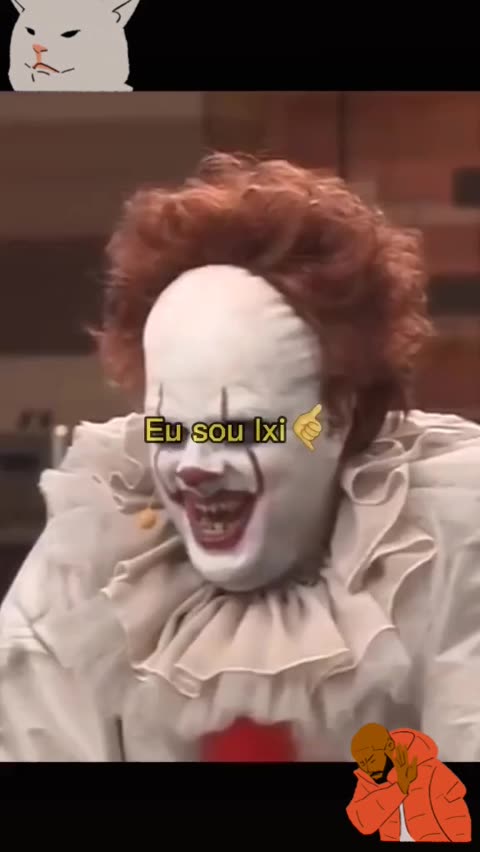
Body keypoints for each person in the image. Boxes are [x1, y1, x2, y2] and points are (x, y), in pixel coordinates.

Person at [1, 153, 480, 761]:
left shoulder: (448, 541)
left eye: (242, 428)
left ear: (336, 415)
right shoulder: (91, 561)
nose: (194, 465)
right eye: (167, 431)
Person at [347, 723, 471, 842]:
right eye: (362, 764)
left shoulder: (431, 770)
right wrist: (399, 789)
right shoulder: (369, 780)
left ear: (389, 746)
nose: (368, 769)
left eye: (372, 760)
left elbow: (457, 819)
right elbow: (362, 822)